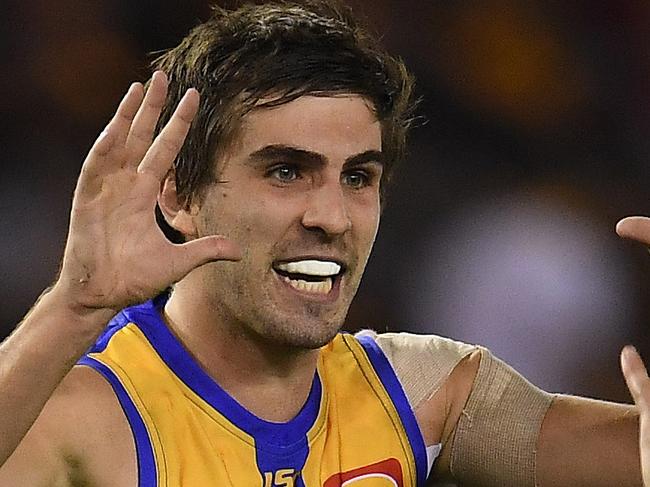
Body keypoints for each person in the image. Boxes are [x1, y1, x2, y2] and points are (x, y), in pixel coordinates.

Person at [1, 1, 650, 486]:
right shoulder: (95, 416)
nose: (332, 216)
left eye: (358, 176)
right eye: (286, 170)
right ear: (178, 195)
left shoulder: (423, 391)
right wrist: (75, 306)